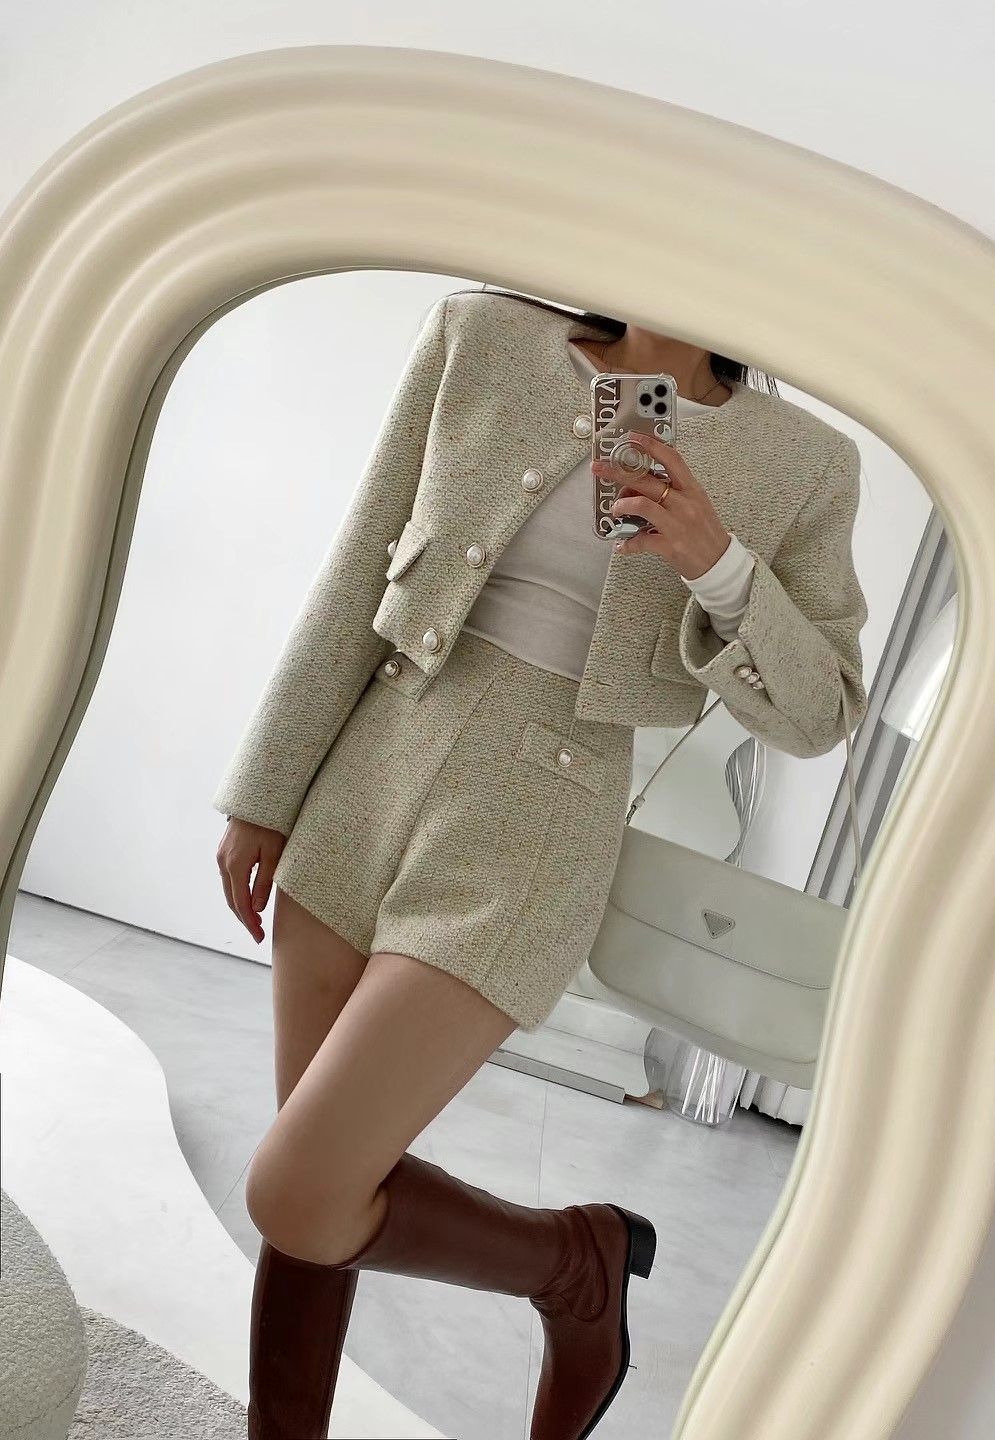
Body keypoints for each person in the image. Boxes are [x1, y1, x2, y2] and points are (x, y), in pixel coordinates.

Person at [212, 286, 869, 1440]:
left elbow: (823, 713)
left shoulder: (804, 460)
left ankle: (576, 1265)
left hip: (540, 820)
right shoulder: (483, 335)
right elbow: (360, 560)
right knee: (318, 1189)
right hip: (369, 764)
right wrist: (265, 788)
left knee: (301, 1185)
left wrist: (718, 564)